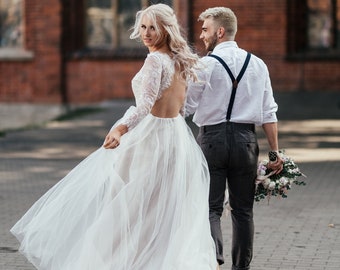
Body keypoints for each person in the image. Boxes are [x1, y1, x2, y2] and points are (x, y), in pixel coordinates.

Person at [10, 4, 217, 270]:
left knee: (130, 206)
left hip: (151, 138)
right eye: (143, 27)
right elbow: (185, 107)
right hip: (176, 137)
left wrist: (120, 128)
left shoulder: (155, 60)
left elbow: (144, 106)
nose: (146, 33)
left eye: (153, 27)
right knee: (162, 209)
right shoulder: (181, 60)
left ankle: (121, 262)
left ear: (166, 29)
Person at [185, 7, 283, 270]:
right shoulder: (258, 64)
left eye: (205, 30)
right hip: (245, 142)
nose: (202, 35)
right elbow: (268, 113)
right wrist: (275, 154)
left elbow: (187, 106)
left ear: (220, 31)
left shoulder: (204, 65)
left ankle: (214, 259)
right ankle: (241, 267)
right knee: (243, 211)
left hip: (212, 141)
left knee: (211, 208)